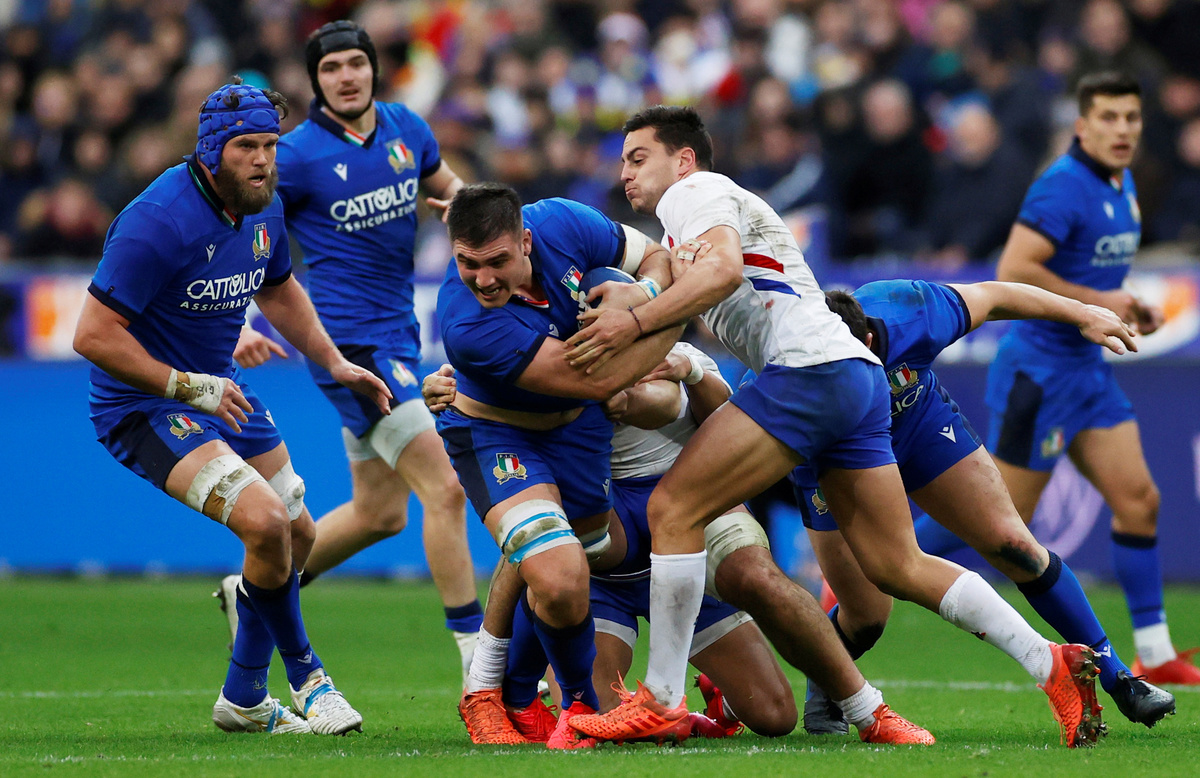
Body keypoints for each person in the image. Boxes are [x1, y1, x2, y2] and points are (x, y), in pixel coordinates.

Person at [564, 105, 1104, 749]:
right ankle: (1051, 664)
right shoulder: (694, 221)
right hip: (856, 377)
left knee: (672, 509)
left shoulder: (694, 191)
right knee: (898, 564)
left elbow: (723, 272)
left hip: (807, 371)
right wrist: (646, 302)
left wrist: (633, 319)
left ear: (683, 160)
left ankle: (661, 700)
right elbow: (699, 277)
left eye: (638, 158)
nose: (624, 173)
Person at [72, 79, 391, 735]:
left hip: (222, 392)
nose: (263, 159)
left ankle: (242, 698)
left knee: (299, 536)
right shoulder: (157, 220)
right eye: (247, 146)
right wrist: (188, 386)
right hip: (145, 405)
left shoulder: (263, 204)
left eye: (270, 145)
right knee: (266, 522)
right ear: (212, 150)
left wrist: (332, 360)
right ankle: (311, 680)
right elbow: (93, 336)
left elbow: (279, 289)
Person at [423, 343, 935, 746]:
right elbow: (480, 385)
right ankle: (494, 689)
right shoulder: (543, 352)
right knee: (549, 545)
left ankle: (867, 709)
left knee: (774, 708)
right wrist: (452, 389)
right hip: (604, 558)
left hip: (687, 529)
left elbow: (692, 409)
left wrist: (679, 375)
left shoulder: (673, 351)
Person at [792, 279, 1175, 735]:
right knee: (867, 615)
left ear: (871, 341)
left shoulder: (911, 311)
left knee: (1015, 545)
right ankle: (826, 685)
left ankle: (1119, 679)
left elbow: (995, 295)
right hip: (837, 459)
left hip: (917, 425)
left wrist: (1083, 312)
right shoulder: (786, 364)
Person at [226, 21, 482, 681]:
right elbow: (242, 239)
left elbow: (452, 188)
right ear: (316, 81)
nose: (346, 76)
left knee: (380, 514)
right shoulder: (296, 156)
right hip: (348, 345)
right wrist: (237, 324)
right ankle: (477, 656)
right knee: (446, 487)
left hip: (398, 335)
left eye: (355, 63)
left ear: (373, 69)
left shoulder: (406, 129)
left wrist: (469, 215)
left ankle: (252, 591)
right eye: (331, 67)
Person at [436, 182, 683, 749]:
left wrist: (643, 291)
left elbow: (655, 255)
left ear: (526, 240)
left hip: (578, 430)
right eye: (468, 264)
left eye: (497, 261)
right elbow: (596, 378)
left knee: (576, 558)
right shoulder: (467, 323)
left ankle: (515, 697)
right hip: (498, 434)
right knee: (559, 572)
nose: (483, 280)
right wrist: (674, 312)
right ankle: (572, 708)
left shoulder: (564, 222)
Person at [984, 71, 1199, 686]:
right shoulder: (1062, 187)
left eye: (1131, 117)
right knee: (996, 524)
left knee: (1140, 501)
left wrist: (1127, 304)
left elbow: (1091, 274)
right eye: (1108, 117)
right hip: (1039, 374)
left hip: (1087, 372)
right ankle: (869, 564)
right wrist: (1099, 302)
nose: (1122, 129)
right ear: (1082, 125)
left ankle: (1154, 651)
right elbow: (1013, 268)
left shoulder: (1120, 182)